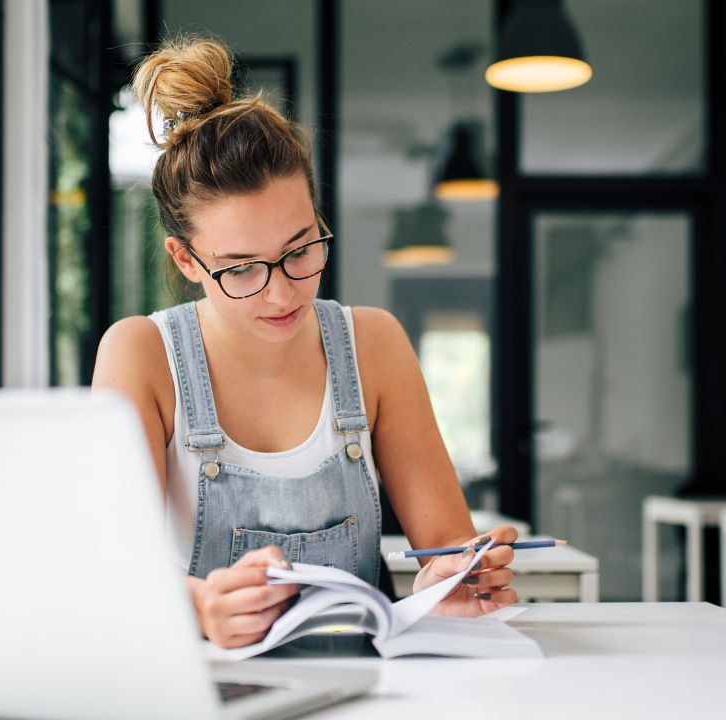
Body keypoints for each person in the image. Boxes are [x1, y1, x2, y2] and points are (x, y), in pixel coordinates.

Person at [92, 36, 517, 650]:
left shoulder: (374, 344)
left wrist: (452, 580)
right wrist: (200, 607)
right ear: (185, 259)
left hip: (372, 689)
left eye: (300, 249)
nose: (282, 293)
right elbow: (111, 566)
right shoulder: (142, 354)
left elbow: (446, 554)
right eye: (240, 268)